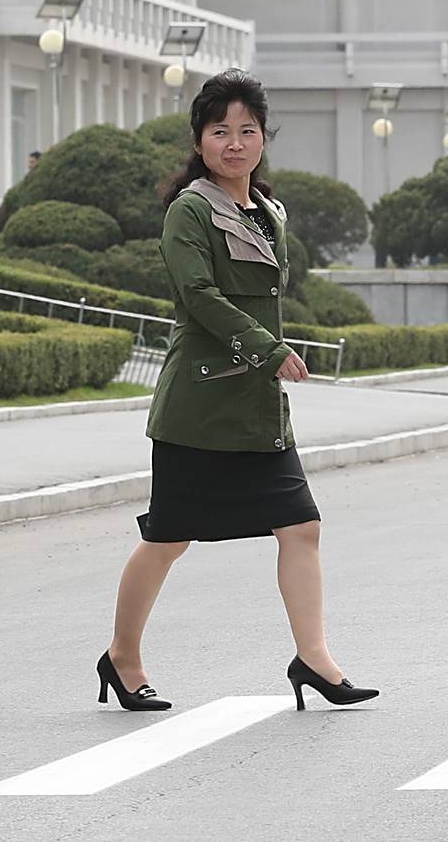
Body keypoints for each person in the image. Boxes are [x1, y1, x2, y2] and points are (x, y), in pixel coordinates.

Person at [99, 70, 374, 715]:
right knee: (168, 537)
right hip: (199, 406)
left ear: (262, 139)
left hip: (258, 411)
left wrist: (269, 358)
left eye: (247, 130)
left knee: (300, 526)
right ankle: (122, 656)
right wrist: (270, 350)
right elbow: (199, 298)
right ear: (199, 139)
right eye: (220, 130)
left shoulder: (269, 212)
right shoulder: (189, 211)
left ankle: (314, 658)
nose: (235, 142)